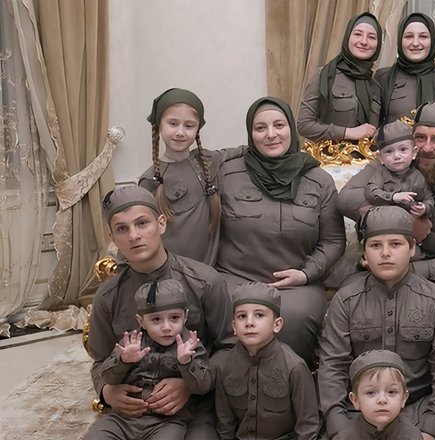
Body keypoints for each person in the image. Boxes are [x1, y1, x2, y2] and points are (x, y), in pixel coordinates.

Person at [337, 100, 435, 364]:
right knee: (351, 290)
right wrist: (397, 215)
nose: (427, 148)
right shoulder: (388, 165)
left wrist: (407, 271)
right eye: (420, 138)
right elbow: (345, 199)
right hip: (379, 269)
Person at [89, 185, 233, 439]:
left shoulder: (205, 282)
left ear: (161, 224)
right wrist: (107, 392)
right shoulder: (108, 296)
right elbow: (100, 360)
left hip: (195, 407)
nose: (134, 236)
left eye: (142, 223)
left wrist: (188, 384)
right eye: (122, 229)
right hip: (133, 413)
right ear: (112, 237)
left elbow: (231, 349)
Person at [216, 97, 346, 366]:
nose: (271, 134)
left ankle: (289, 385)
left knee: (295, 318)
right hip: (234, 279)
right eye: (260, 128)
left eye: (279, 125)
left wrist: (305, 273)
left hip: (296, 285)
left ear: (291, 129)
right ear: (250, 134)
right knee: (230, 312)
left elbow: (333, 240)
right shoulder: (226, 174)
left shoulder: (318, 180)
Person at [318, 205, 435, 440]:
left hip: (418, 411)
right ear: (364, 254)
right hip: (359, 414)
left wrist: (431, 429)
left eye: (395, 244)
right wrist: (338, 429)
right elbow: (332, 367)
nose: (385, 253)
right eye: (375, 245)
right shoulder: (346, 300)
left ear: (412, 248)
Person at [85, 279, 211, 440]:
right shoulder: (131, 343)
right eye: (156, 319)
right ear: (141, 321)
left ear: (185, 317)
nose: (166, 327)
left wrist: (186, 363)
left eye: (174, 317)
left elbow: (203, 386)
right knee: (96, 436)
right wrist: (123, 361)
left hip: (168, 421)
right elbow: (108, 378)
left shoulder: (191, 345)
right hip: (124, 418)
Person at [210, 282, 319, 440]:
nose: (249, 322)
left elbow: (307, 426)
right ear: (234, 326)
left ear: (277, 324)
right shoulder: (224, 364)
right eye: (242, 316)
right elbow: (225, 420)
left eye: (259, 315)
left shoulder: (295, 367)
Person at [138, 88, 222, 266]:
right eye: (173, 123)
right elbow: (139, 231)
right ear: (159, 125)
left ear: (197, 129)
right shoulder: (150, 180)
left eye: (189, 126)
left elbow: (244, 151)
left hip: (210, 272)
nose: (180, 132)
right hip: (171, 273)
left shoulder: (209, 161)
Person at [298, 12, 382, 142]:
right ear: (347, 37)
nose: (364, 41)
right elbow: (304, 125)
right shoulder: (325, 76)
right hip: (332, 154)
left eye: (371, 37)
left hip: (369, 155)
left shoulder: (376, 83)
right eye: (358, 34)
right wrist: (347, 133)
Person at [376, 12, 435, 125]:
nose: (415, 43)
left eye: (423, 36)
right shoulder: (383, 77)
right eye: (409, 36)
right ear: (400, 40)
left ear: (432, 40)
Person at [339, 350, 423, 440]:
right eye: (371, 393)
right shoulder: (344, 437)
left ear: (403, 398)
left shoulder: (412, 437)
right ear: (356, 400)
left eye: (391, 392)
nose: (382, 400)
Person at [364, 120, 434, 222]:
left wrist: (424, 208)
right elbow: (370, 192)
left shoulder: (419, 176)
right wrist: (393, 197)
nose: (397, 156)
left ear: (414, 153)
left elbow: (428, 198)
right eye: (389, 151)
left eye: (403, 150)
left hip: (410, 222)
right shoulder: (381, 173)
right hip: (385, 221)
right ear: (381, 158)